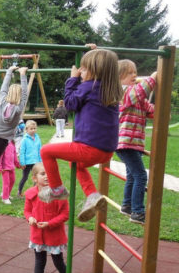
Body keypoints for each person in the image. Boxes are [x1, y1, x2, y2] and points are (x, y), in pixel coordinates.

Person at [39, 48, 123, 222]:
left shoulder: (87, 86)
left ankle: (57, 189)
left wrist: (72, 79)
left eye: (83, 69)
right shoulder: (111, 89)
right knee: (76, 164)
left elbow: (70, 103)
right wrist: (93, 51)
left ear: (94, 70)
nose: (80, 72)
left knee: (46, 151)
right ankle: (92, 196)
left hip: (89, 147)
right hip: (107, 151)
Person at [116, 60, 157, 225]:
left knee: (132, 175)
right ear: (119, 77)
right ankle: (138, 212)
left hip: (133, 142)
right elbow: (142, 90)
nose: (135, 75)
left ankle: (127, 205)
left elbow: (149, 109)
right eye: (130, 73)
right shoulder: (123, 92)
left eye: (135, 72)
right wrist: (153, 77)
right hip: (125, 142)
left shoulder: (137, 96)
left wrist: (161, 110)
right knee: (140, 175)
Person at [24, 163, 70, 273]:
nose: (47, 176)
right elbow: (27, 211)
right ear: (34, 178)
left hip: (54, 235)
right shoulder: (31, 194)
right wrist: (30, 218)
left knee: (58, 261)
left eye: (50, 173)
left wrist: (50, 224)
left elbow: (65, 214)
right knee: (40, 261)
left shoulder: (59, 194)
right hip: (38, 235)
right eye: (43, 174)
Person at [17, 120, 42, 197]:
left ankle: (35, 192)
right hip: (27, 163)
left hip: (36, 162)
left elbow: (40, 150)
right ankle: (19, 192)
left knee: (37, 177)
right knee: (25, 177)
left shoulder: (37, 138)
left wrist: (40, 161)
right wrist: (22, 162)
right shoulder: (24, 139)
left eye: (35, 128)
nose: (33, 130)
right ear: (27, 129)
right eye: (31, 128)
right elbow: (22, 152)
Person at [0, 140, 21, 205]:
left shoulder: (12, 143)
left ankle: (6, 194)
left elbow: (14, 155)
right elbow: (0, 157)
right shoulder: (3, 144)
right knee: (6, 183)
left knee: (12, 181)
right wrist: (0, 167)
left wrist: (17, 164)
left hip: (11, 167)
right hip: (5, 168)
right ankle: (5, 198)